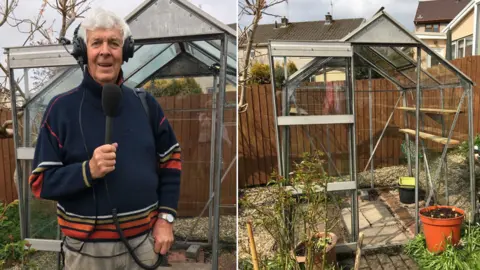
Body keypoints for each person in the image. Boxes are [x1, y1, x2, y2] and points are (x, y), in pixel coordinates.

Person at [28, 7, 181, 269]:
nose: (105, 51)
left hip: (144, 246)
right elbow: (41, 182)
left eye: (114, 43)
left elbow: (171, 161)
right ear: (83, 51)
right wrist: (88, 171)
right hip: (86, 252)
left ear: (126, 51)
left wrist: (165, 218)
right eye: (96, 42)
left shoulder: (146, 105)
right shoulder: (60, 109)